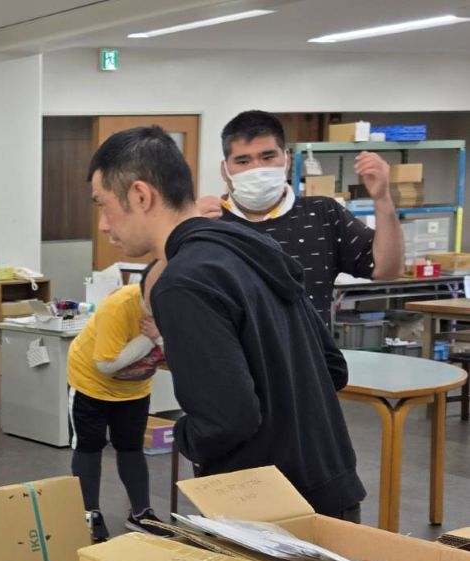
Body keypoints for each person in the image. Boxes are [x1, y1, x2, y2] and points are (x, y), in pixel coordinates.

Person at [90, 126, 364, 520]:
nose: (103, 224)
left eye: (103, 205)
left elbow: (227, 420)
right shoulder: (252, 249)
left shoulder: (184, 282)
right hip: (331, 487)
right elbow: (333, 368)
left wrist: (182, 434)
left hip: (269, 510)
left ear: (140, 195)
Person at [198, 110, 402, 320]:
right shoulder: (208, 224)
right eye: (243, 161)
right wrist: (185, 229)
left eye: (268, 157)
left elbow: (386, 270)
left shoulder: (323, 213)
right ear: (225, 170)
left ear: (286, 159)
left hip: (311, 342)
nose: (257, 169)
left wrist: (382, 199)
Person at [66, 258, 167, 542]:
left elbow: (183, 359)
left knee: (131, 447)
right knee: (89, 446)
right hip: (90, 383)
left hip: (134, 389)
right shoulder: (119, 306)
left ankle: (141, 514)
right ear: (143, 288)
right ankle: (90, 515)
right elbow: (106, 365)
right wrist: (152, 339)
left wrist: (159, 336)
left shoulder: (179, 307)